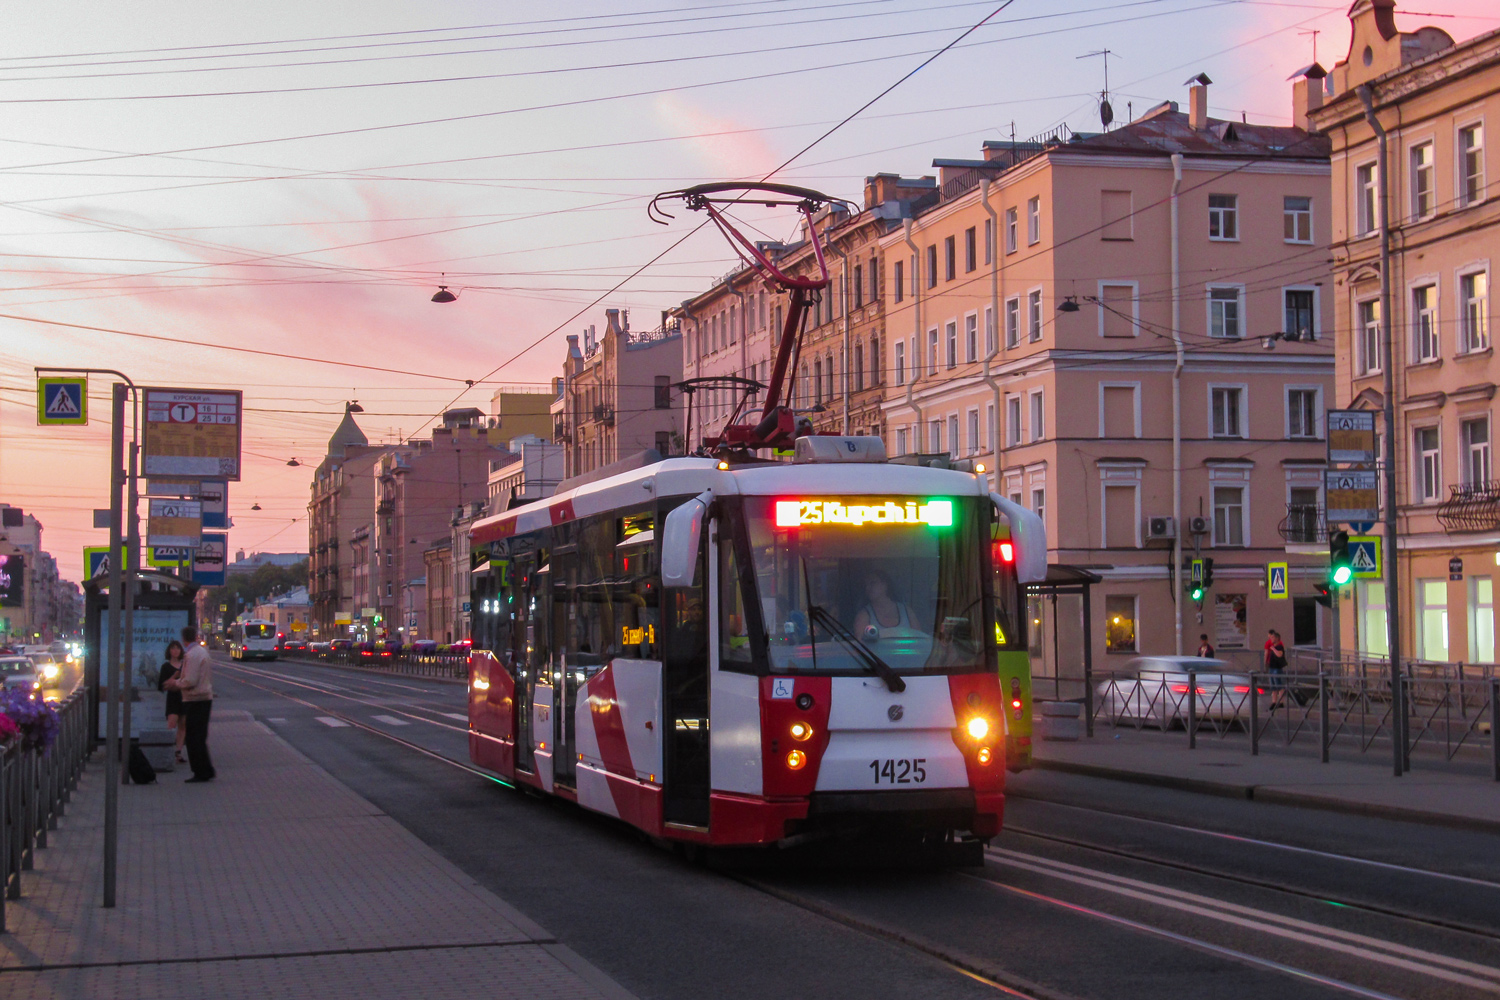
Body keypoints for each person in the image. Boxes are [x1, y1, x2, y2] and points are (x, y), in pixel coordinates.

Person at [166, 626, 215, 782]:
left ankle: (200, 772)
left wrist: (175, 683)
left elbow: (190, 680)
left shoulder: (193, 655)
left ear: (184, 639)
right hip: (203, 698)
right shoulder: (201, 652)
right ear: (195, 636)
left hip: (196, 699)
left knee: (193, 738)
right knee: (199, 737)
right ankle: (207, 770)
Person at [853, 569, 918, 641]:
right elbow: (860, 645)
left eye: (872, 583)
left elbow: (920, 640)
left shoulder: (907, 612)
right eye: (866, 585)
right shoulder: (864, 616)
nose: (867, 588)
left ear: (885, 585)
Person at [157, 640, 188, 764]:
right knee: (171, 724)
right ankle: (169, 751)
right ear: (169, 651)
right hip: (173, 699)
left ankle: (178, 752)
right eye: (173, 648)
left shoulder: (185, 665)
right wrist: (175, 676)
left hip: (185, 698)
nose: (175, 651)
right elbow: (162, 686)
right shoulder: (166, 666)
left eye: (178, 648)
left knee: (183, 726)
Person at [1264, 629, 1288, 710]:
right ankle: (1274, 702)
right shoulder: (1273, 646)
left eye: (1273, 637)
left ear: (1277, 638)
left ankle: (1281, 702)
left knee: (1279, 685)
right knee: (1273, 686)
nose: (1271, 639)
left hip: (1277, 669)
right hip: (1272, 668)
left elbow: (1279, 655)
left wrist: (1273, 649)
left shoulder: (1279, 646)